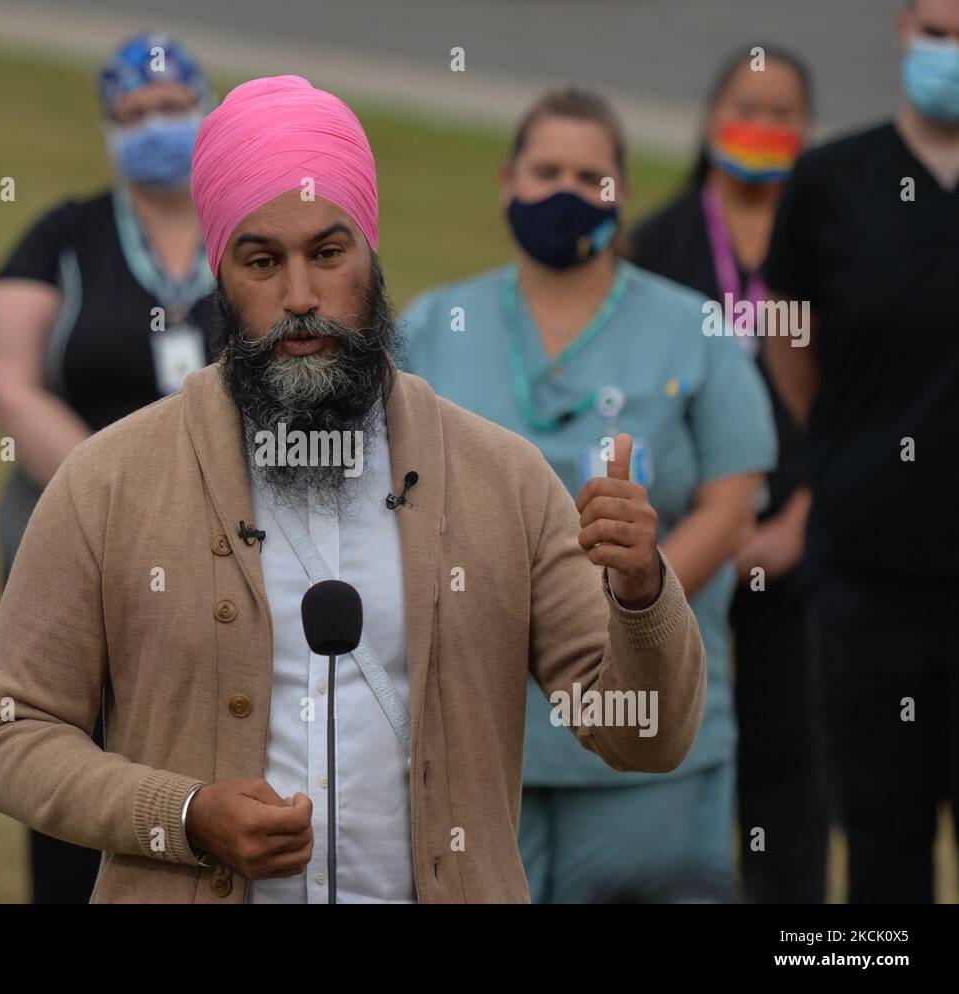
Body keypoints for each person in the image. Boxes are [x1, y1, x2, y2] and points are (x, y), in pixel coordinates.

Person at [0, 74, 708, 905]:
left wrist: (641, 593)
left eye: (327, 252)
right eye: (261, 261)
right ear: (221, 276)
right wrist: (183, 813)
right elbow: (7, 735)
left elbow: (645, 737)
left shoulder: (502, 480)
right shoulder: (112, 480)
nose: (301, 297)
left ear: (371, 256)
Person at [401, 88, 776, 902]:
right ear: (506, 180)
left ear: (623, 193)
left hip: (651, 737)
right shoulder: (435, 325)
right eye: (546, 170)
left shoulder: (696, 330)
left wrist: (630, 611)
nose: (566, 190)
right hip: (481, 739)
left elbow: (733, 499)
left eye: (590, 175)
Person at [0, 32, 219, 904]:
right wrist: (111, 492)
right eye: (135, 114)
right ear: (109, 126)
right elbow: (5, 382)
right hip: (78, 525)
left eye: (173, 109)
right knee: (72, 734)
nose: (157, 126)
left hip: (235, 536)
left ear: (206, 108)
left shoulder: (250, 229)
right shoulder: (66, 234)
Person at [762, 0, 959, 903]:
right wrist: (849, 444)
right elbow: (787, 334)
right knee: (882, 839)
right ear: (902, 30)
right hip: (867, 576)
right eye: (937, 30)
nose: (947, 52)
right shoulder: (834, 181)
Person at [629, 45, 826, 904]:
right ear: (711, 121)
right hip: (681, 545)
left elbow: (860, 406)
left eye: (783, 113)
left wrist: (798, 521)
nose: (763, 127)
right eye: (747, 106)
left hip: (801, 541)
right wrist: (712, 526)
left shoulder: (829, 242)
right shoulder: (655, 247)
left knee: (791, 756)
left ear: (807, 132)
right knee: (675, 739)